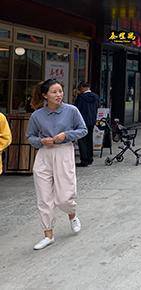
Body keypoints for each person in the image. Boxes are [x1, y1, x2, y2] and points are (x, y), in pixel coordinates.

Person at [27, 79, 88, 250]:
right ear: (45, 95)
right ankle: (48, 234)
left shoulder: (71, 110)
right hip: (44, 155)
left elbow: (83, 130)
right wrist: (41, 141)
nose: (58, 95)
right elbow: (30, 137)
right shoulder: (37, 115)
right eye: (54, 92)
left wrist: (66, 135)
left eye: (60, 91)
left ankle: (72, 214)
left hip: (64, 152)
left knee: (64, 197)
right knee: (44, 197)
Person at [73, 82, 99, 167]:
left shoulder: (81, 97)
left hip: (82, 121)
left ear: (83, 88)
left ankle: (84, 160)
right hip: (92, 121)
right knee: (89, 140)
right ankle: (90, 158)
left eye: (80, 88)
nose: (79, 90)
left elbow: (76, 110)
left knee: (82, 141)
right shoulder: (95, 97)